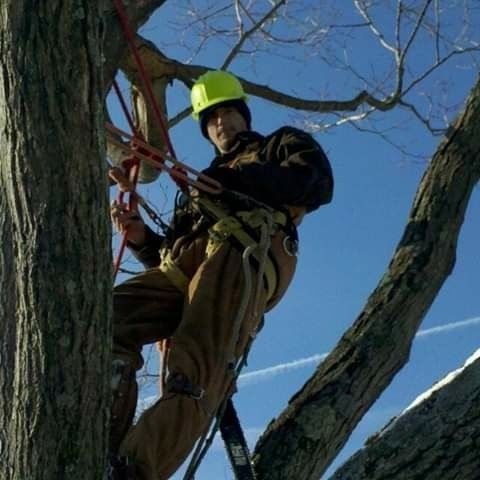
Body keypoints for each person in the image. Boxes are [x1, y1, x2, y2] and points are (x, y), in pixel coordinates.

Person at [108, 70, 334, 480]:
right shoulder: (199, 187)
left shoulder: (277, 145)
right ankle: (98, 441)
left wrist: (235, 180)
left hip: (242, 252)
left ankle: (132, 471)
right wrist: (142, 240)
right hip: (188, 266)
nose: (220, 122)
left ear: (243, 115)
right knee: (109, 320)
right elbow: (170, 255)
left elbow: (315, 181)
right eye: (211, 118)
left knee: (193, 368)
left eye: (228, 112)